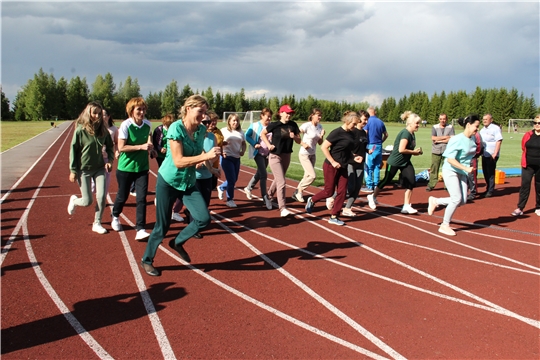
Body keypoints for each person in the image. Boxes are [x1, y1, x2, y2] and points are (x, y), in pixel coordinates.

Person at [141, 95, 221, 276]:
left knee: (204, 218)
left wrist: (211, 167)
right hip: (168, 181)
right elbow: (178, 161)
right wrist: (205, 157)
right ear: (188, 109)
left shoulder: (201, 130)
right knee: (162, 226)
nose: (204, 116)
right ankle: (147, 259)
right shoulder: (177, 128)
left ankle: (177, 241)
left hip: (188, 182)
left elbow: (201, 151)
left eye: (205, 112)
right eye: (200, 111)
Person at [111, 97, 157, 241]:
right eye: (139, 109)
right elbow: (121, 147)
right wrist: (140, 147)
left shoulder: (148, 125)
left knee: (141, 198)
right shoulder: (126, 125)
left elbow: (149, 142)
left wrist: (151, 150)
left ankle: (140, 228)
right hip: (126, 167)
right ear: (132, 111)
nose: (142, 112)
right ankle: (115, 215)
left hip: (142, 168)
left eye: (144, 109)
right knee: (122, 196)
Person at [305, 111, 362, 225]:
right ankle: (312, 200)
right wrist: (333, 161)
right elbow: (324, 147)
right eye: (353, 124)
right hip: (331, 166)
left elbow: (346, 150)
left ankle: (334, 215)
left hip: (344, 166)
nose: (355, 127)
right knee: (329, 192)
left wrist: (353, 157)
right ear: (347, 121)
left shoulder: (352, 134)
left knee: (342, 191)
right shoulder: (336, 132)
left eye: (356, 125)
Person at [427, 114, 481, 236]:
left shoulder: (472, 139)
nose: (477, 129)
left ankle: (436, 201)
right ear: (468, 125)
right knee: (456, 198)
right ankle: (444, 225)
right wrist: (466, 168)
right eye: (476, 126)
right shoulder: (456, 139)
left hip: (461, 172)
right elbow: (450, 159)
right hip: (450, 170)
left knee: (462, 201)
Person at [67, 102, 114, 234]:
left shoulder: (103, 130)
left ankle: (97, 222)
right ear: (89, 113)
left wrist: (110, 160)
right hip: (84, 170)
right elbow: (73, 150)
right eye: (94, 113)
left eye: (99, 113)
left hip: (99, 169)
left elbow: (110, 146)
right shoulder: (80, 131)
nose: (97, 116)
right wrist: (73, 170)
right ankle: (75, 200)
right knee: (87, 201)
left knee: (101, 196)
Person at [367, 111, 423, 214]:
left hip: (405, 162)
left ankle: (406, 206)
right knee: (386, 180)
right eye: (417, 123)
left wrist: (417, 151)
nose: (418, 125)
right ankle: (372, 196)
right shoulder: (405, 133)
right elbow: (401, 149)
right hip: (394, 162)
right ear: (410, 123)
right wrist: (414, 152)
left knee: (411, 182)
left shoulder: (412, 134)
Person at [260, 104, 301, 217]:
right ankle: (282, 208)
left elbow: (298, 140)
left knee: (279, 179)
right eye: (287, 113)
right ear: (281, 113)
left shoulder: (293, 125)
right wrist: (268, 145)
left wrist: (295, 137)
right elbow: (263, 134)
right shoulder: (274, 125)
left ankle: (268, 195)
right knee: (282, 182)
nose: (289, 115)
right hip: (275, 156)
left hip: (286, 155)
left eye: (290, 113)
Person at [292, 108, 325, 203]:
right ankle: (299, 190)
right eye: (318, 115)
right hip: (304, 154)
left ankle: (298, 192)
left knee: (307, 175)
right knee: (312, 176)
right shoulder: (306, 125)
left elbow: (320, 143)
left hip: (312, 154)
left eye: (320, 115)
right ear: (312, 115)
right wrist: (303, 143)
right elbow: (296, 134)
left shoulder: (320, 126)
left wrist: (322, 135)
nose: (320, 117)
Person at [341, 109, 369, 217]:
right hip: (350, 162)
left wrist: (367, 151)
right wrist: (354, 156)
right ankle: (333, 197)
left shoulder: (364, 132)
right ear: (358, 119)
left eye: (367, 120)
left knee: (357, 187)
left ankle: (347, 208)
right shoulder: (352, 132)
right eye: (364, 119)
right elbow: (347, 147)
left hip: (360, 163)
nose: (366, 122)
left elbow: (362, 146)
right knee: (350, 187)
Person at [511, 114, 540, 217]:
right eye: (535, 123)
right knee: (525, 186)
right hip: (528, 165)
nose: (537, 125)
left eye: (539, 123)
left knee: (539, 186)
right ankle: (520, 208)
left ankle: (538, 207)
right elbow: (523, 147)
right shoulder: (528, 135)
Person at [244, 108, 273, 209]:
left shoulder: (271, 126)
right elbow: (246, 136)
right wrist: (254, 143)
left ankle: (248, 188)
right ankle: (265, 197)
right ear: (262, 115)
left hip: (267, 153)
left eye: (270, 116)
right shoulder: (255, 125)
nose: (269, 118)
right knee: (264, 174)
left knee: (260, 173)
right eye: (267, 116)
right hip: (258, 153)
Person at [217, 113, 246, 208]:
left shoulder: (241, 132)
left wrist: (243, 151)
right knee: (231, 179)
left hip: (236, 158)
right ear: (229, 121)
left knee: (234, 179)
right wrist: (222, 151)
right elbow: (218, 143)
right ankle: (230, 199)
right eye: (233, 120)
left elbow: (243, 143)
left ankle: (221, 187)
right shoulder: (223, 131)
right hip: (226, 157)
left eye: (237, 120)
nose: (236, 122)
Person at [426, 113, 454, 191]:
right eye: (441, 119)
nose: (442, 120)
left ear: (447, 119)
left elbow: (452, 138)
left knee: (447, 168)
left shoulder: (450, 127)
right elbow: (433, 138)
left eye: (444, 119)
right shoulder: (435, 127)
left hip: (447, 151)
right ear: (439, 119)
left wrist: (439, 140)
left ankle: (447, 186)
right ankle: (431, 184)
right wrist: (446, 137)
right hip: (436, 150)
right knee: (434, 168)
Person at [363, 106, 388, 193]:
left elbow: (365, 133)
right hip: (379, 146)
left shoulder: (367, 121)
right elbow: (386, 134)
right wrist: (381, 141)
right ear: (375, 112)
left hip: (370, 145)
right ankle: (376, 184)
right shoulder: (380, 122)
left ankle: (369, 186)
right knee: (377, 166)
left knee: (369, 166)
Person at [479, 113, 503, 197]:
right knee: (485, 172)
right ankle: (488, 188)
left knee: (490, 172)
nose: (484, 121)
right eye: (483, 119)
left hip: (492, 154)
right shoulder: (482, 130)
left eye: (486, 119)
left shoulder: (495, 128)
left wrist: (495, 153)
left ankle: (490, 190)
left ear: (491, 120)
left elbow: (499, 141)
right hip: (484, 154)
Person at [466, 131, 483, 201]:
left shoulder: (476, 134)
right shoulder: (465, 133)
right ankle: (465, 191)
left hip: (472, 157)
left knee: (472, 175)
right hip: (465, 158)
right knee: (466, 175)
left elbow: (479, 145)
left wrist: (476, 154)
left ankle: (473, 192)